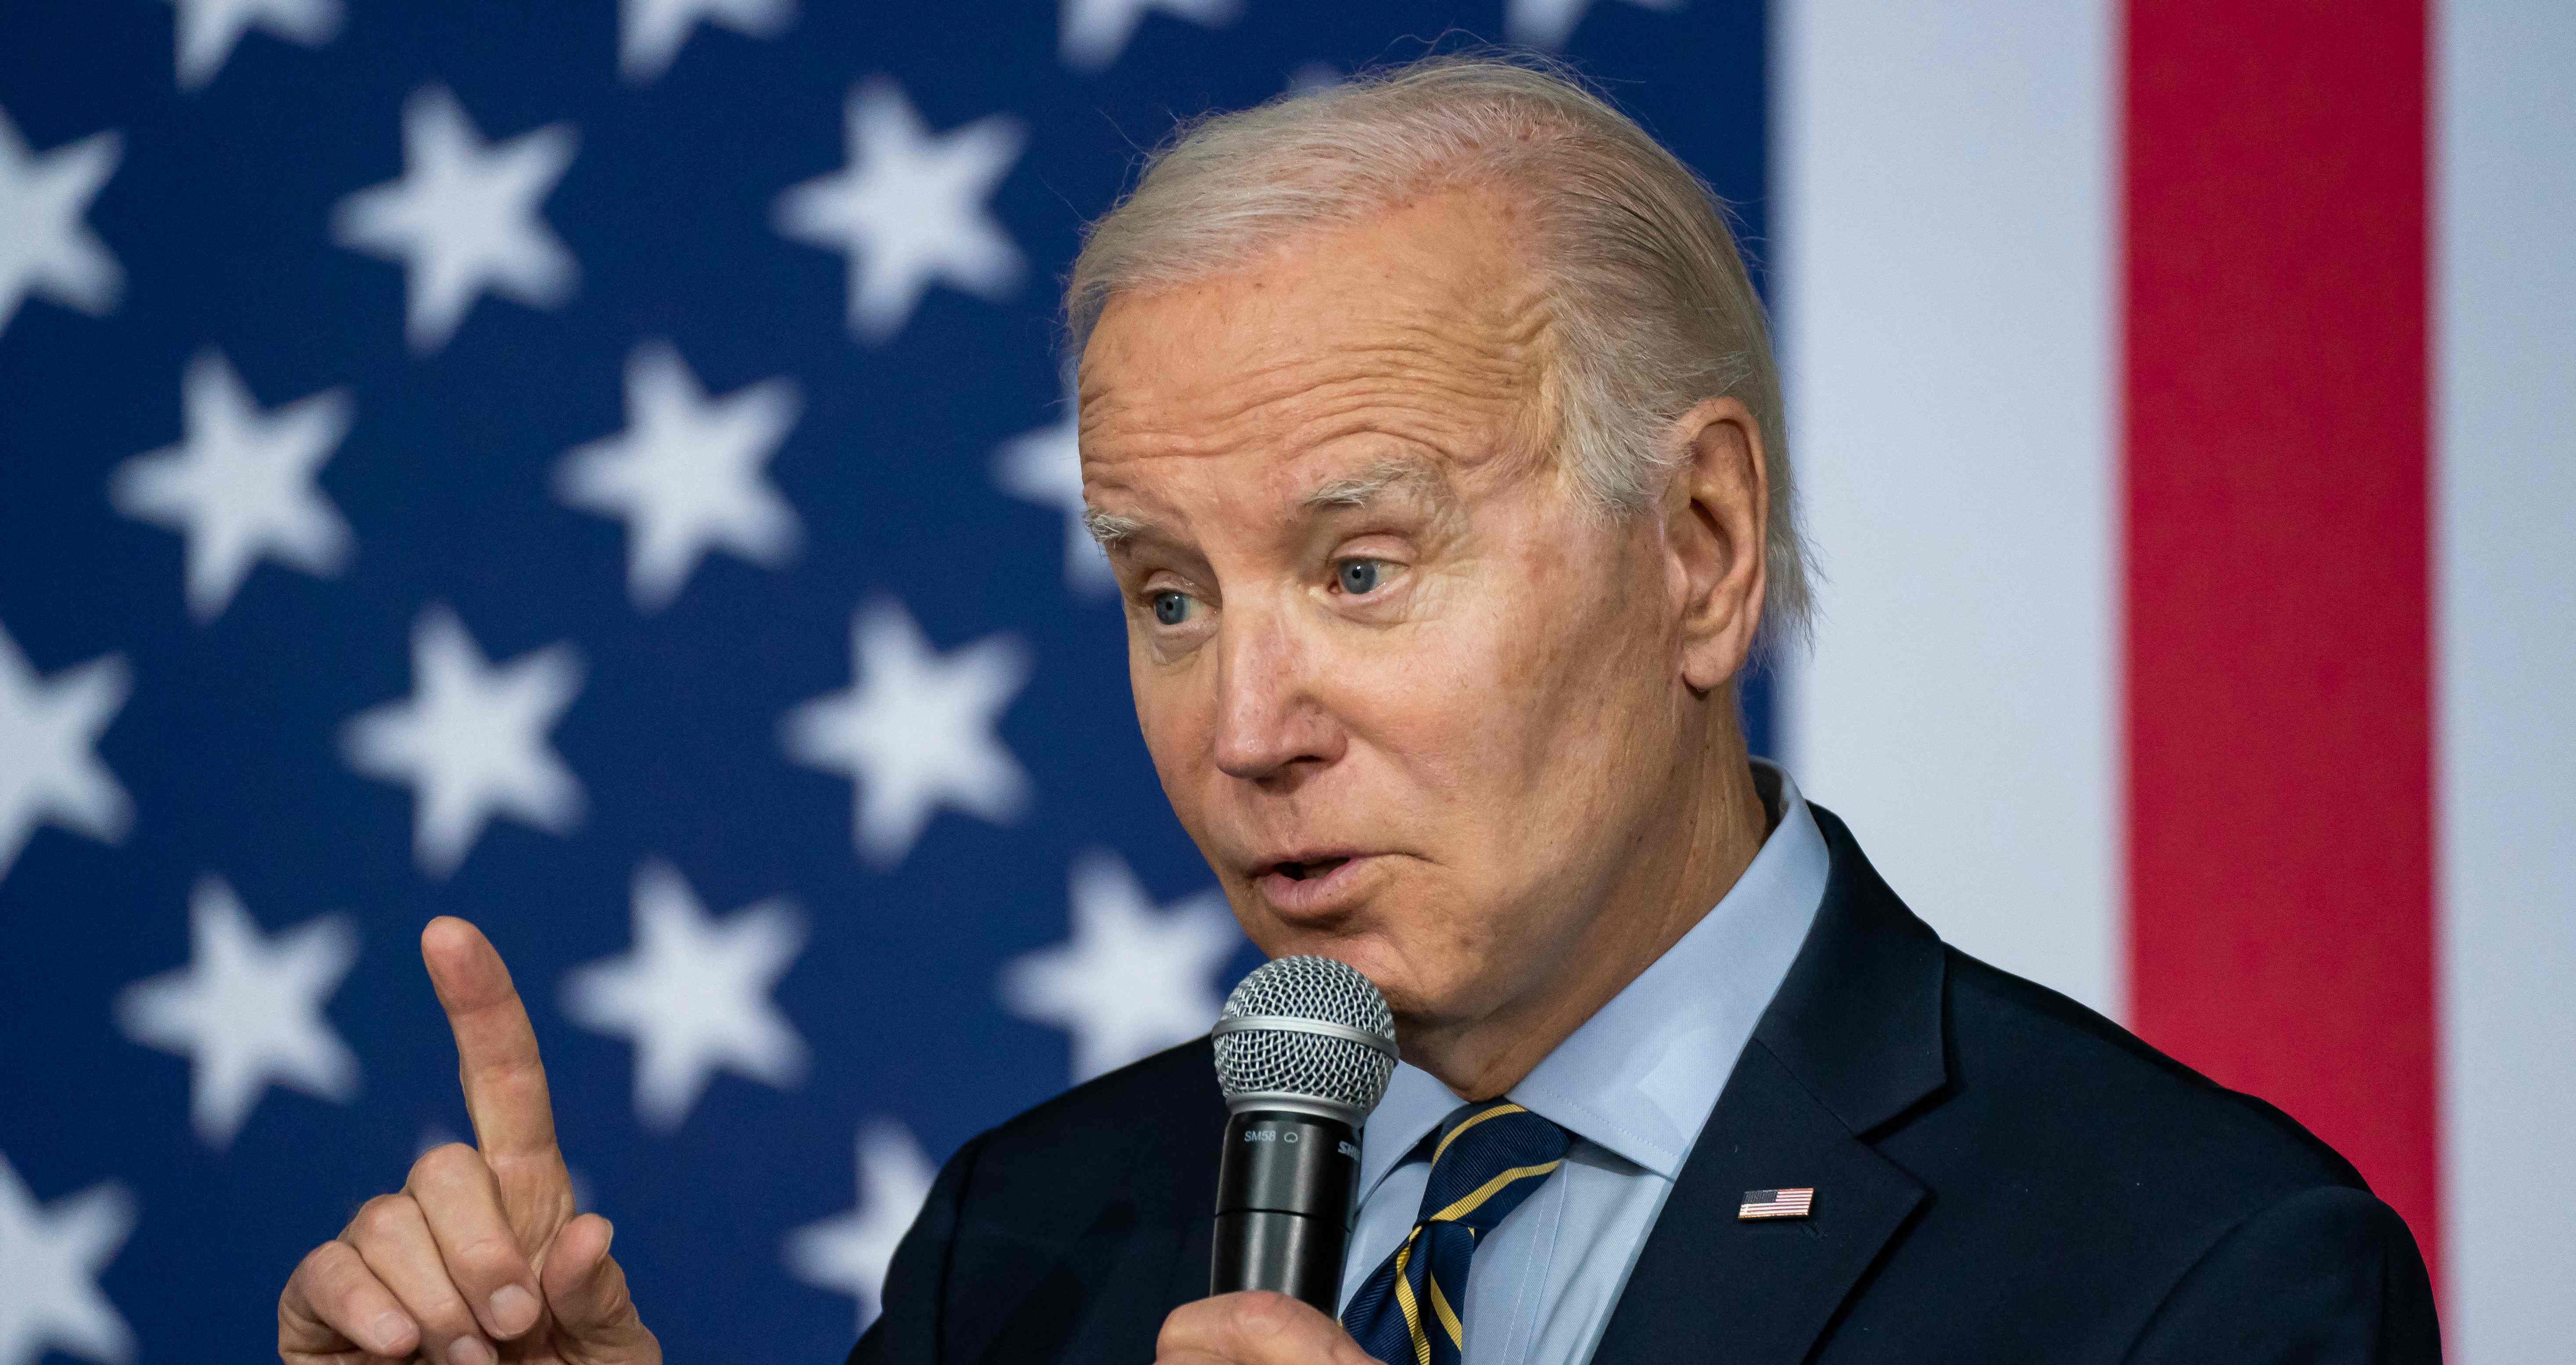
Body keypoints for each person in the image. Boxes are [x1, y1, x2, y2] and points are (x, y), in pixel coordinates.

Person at [276, 54, 2440, 1365]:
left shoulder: (2196, 1279)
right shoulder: (1025, 1250)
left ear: (1697, 546)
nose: (1248, 722)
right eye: (1166, 593)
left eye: (1360, 567)